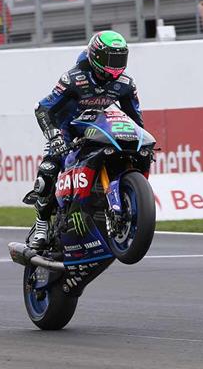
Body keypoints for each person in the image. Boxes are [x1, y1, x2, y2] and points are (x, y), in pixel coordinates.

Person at [27, 31, 143, 250]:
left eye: (120, 58)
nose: (117, 65)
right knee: (48, 169)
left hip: (97, 126)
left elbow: (135, 117)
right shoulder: (73, 78)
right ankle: (41, 225)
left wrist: (140, 141)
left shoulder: (125, 84)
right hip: (67, 129)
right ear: (96, 57)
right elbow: (42, 108)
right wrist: (54, 137)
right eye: (111, 59)